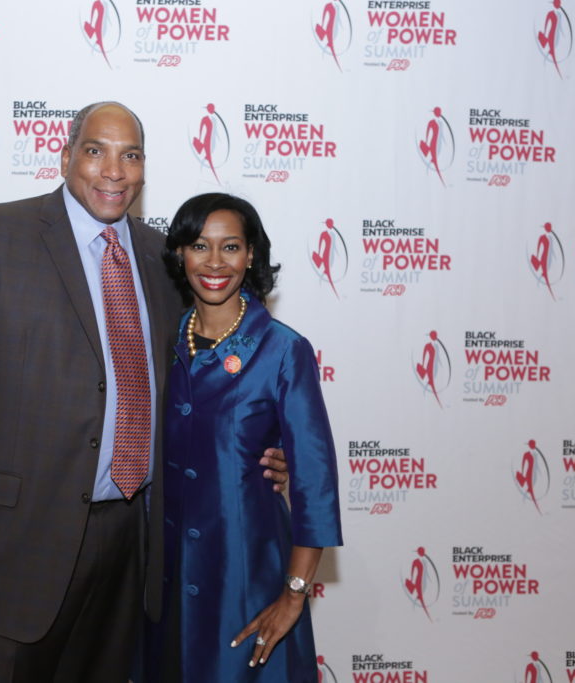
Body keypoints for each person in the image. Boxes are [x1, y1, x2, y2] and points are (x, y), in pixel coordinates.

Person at [0, 102, 288, 682]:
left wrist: (264, 452)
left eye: (130, 155)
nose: (114, 170)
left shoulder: (163, 258)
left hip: (134, 542)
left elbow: (204, 379)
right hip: (16, 547)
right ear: (65, 158)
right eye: (95, 151)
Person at [145, 193, 343, 683]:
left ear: (251, 254)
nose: (215, 262)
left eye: (230, 246)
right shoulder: (160, 340)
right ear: (179, 254)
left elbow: (315, 484)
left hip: (248, 580)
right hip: (164, 584)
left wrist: (293, 596)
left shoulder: (284, 350)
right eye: (199, 246)